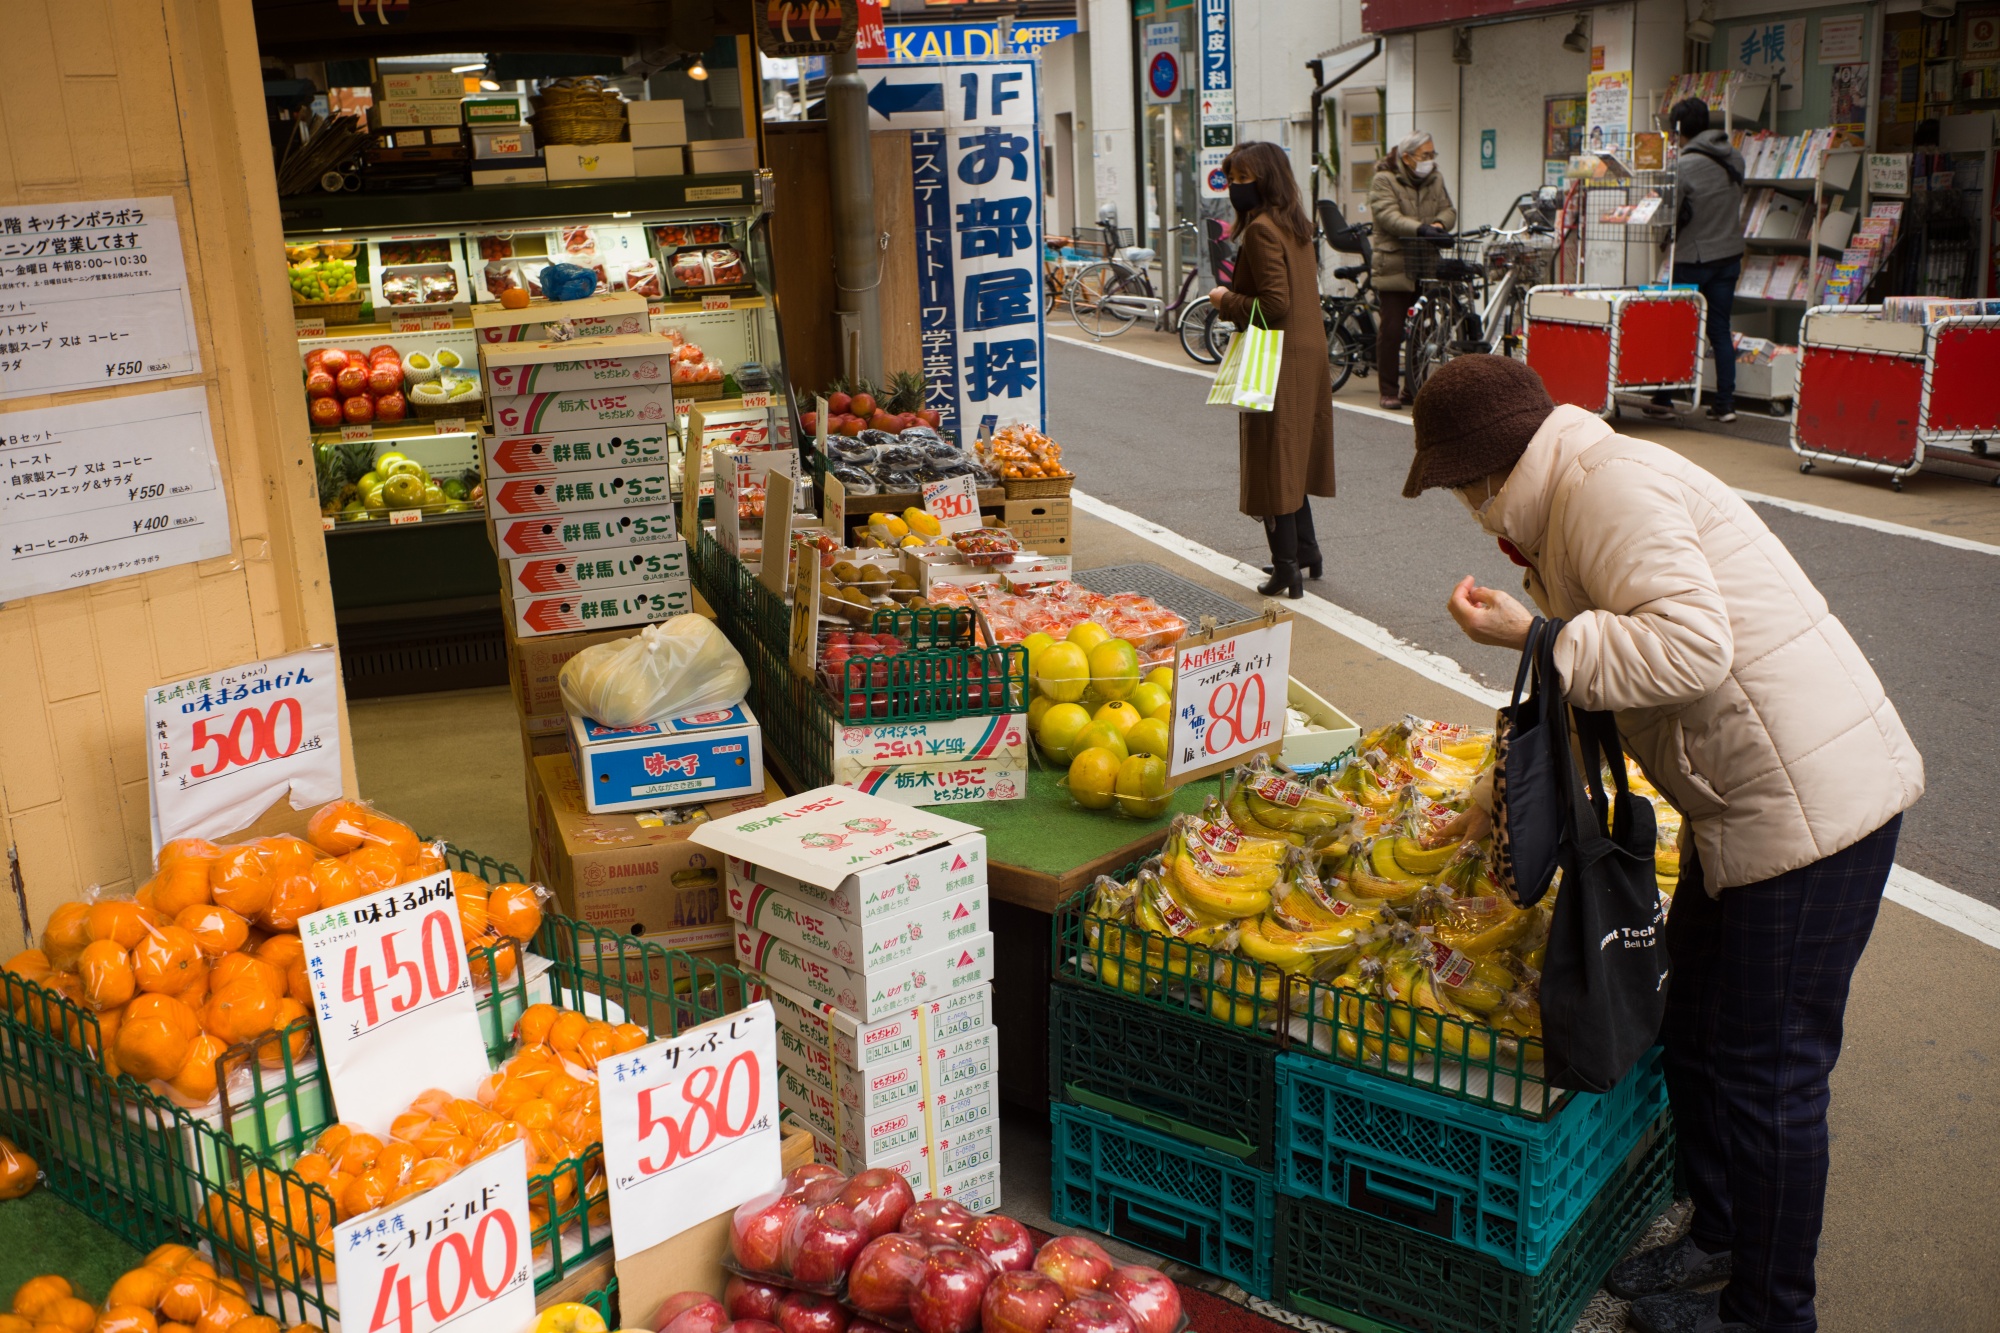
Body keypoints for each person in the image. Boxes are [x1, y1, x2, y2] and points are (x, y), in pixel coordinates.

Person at [1406, 355, 1924, 1333]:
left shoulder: (1604, 489)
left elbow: (1690, 648)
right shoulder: (1567, 502)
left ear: (1486, 472)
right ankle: (1723, 1230)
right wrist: (1497, 790)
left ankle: (1766, 1314)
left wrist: (1536, 639)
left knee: (1771, 1072)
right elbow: (1596, 667)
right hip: (1748, 802)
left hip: (1809, 808)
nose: (1465, 509)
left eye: (1459, 487)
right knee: (1695, 1029)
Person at [1206, 141, 1334, 599]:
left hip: (1274, 355)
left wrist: (1224, 301)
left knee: (1271, 457)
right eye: (1233, 180)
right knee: (1294, 454)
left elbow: (1274, 304)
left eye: (1243, 180)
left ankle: (1286, 571)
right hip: (1307, 351)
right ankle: (1306, 552)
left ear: (1266, 181)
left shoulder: (1261, 230)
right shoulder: (1295, 224)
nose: (1236, 188)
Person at [1649, 97, 1745, 424]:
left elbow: (1669, 212)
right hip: (1730, 255)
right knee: (1720, 328)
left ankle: (1664, 399)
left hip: (1694, 256)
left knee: (1677, 327)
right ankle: (1726, 403)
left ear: (1677, 129)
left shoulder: (1684, 166)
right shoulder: (1736, 158)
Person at [1367, 132, 1457, 411]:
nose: (1430, 161)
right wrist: (1421, 229)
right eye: (1424, 156)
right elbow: (1388, 217)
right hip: (1395, 264)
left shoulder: (1436, 179)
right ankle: (1389, 390)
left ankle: (1414, 388)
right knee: (1392, 330)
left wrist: (1440, 225)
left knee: (1423, 329)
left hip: (1425, 263)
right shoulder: (1384, 179)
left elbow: (1448, 209)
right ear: (1406, 158)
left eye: (1432, 155)